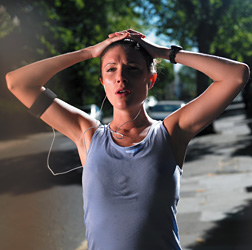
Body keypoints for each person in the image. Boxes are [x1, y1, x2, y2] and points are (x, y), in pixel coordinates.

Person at [6, 29, 250, 250]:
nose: (120, 77)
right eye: (111, 69)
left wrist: (163, 52)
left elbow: (236, 75)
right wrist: (90, 52)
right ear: (103, 83)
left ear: (150, 80)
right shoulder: (87, 134)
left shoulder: (171, 132)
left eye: (132, 68)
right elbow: (18, 83)